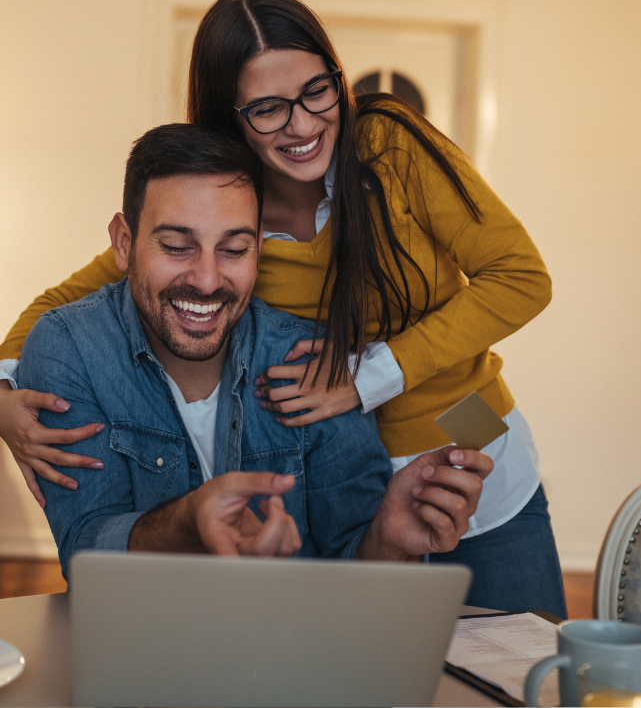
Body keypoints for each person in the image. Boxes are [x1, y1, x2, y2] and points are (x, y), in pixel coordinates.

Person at [0, 0, 566, 616]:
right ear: (230, 120)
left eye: (316, 91)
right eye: (268, 108)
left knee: (525, 658)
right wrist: (2, 397)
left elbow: (521, 277)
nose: (301, 125)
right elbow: (85, 293)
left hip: (466, 428)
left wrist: (364, 377)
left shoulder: (391, 144)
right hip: (359, 483)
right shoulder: (226, 215)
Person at [17, 122, 492, 578]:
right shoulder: (69, 348)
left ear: (260, 248)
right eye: (178, 246)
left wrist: (388, 541)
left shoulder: (311, 361)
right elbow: (86, 551)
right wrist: (189, 523)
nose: (206, 280)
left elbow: (353, 567)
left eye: (234, 249)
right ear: (124, 243)